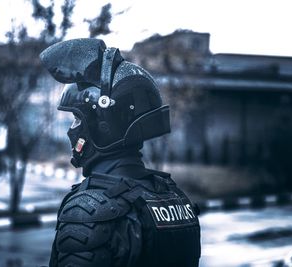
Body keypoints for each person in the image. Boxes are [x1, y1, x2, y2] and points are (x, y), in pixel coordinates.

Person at [40, 38, 201, 267]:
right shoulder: (176, 200)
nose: (72, 129)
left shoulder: (88, 209)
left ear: (104, 125)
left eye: (77, 119)